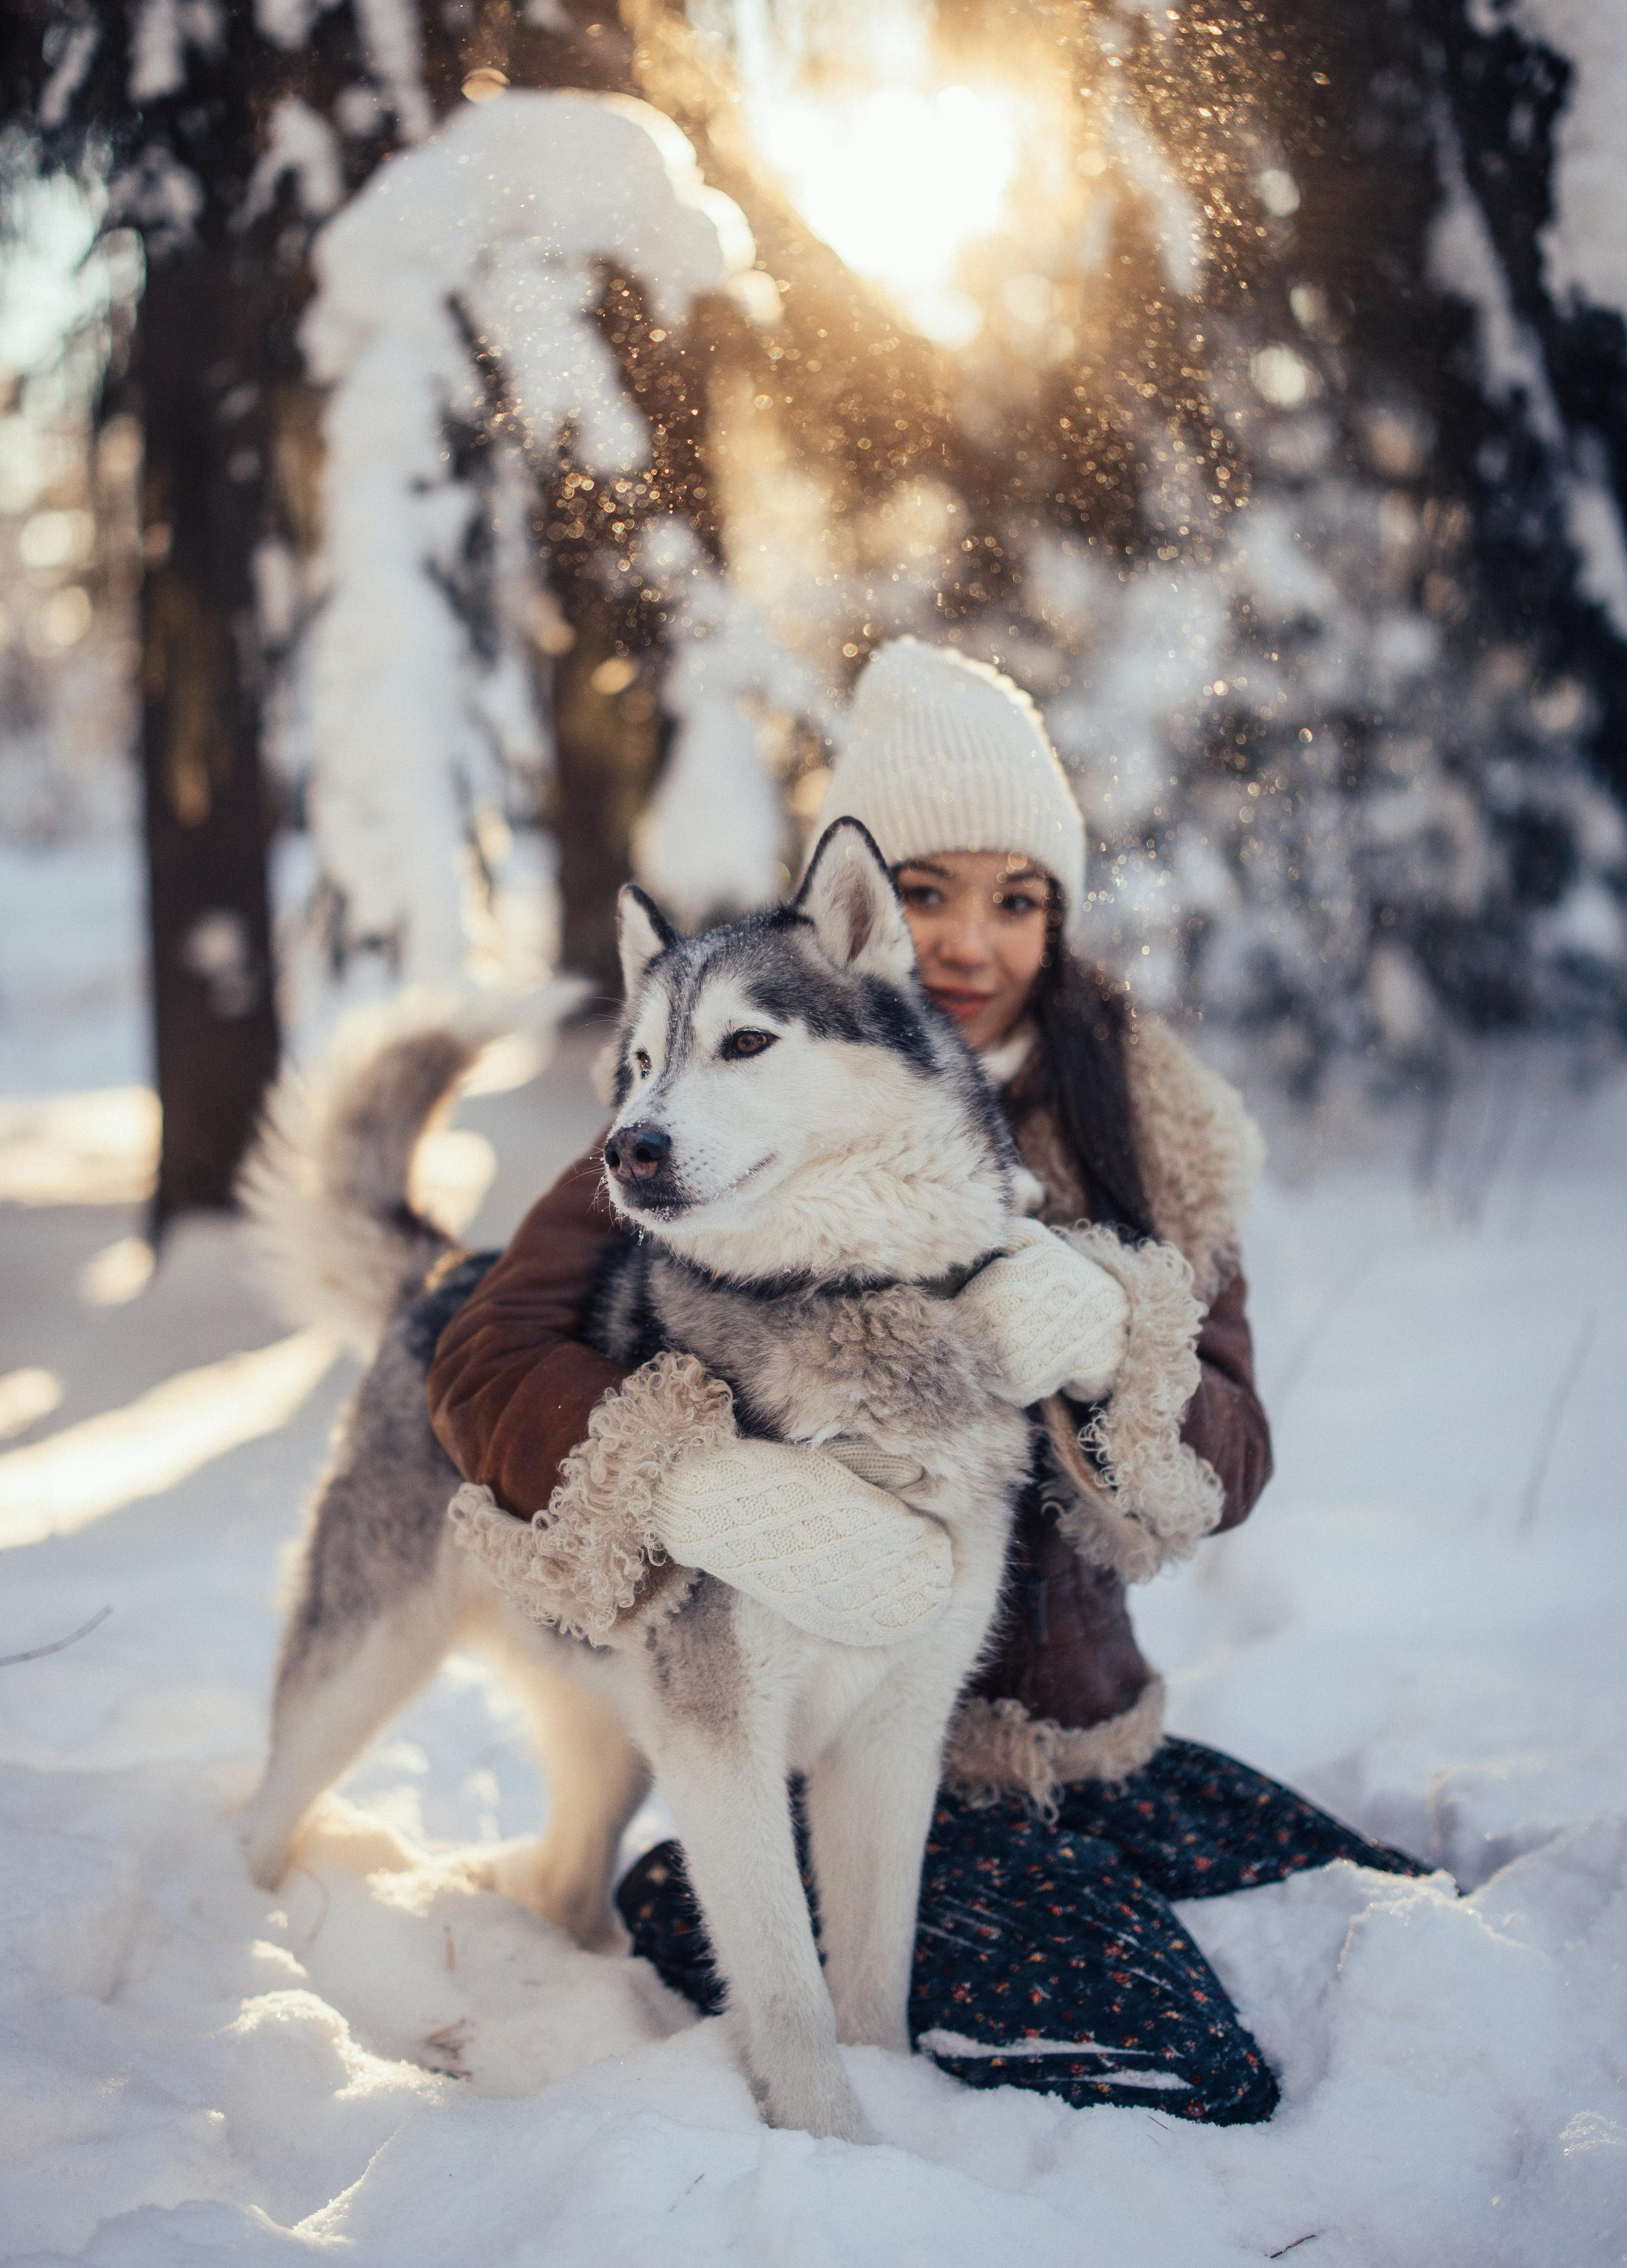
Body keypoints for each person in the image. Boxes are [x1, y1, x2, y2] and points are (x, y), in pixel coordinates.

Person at [427, 639, 1427, 2124]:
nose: (964, 939)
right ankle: (718, 1940)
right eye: (921, 893)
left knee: (1399, 1917)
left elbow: (1233, 1446)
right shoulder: (707, 1121)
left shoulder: (1149, 1126)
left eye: (1014, 898)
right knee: (1184, 2069)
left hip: (1083, 1748)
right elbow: (483, 1360)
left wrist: (1110, 1332)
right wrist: (679, 1472)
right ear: (846, 917)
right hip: (851, 1753)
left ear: (1055, 914)